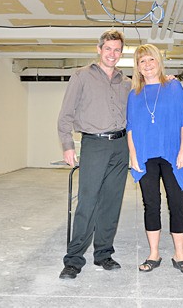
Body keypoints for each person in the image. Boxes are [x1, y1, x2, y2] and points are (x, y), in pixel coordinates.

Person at [57, 29, 131, 279]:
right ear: (99, 49)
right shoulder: (81, 76)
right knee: (87, 203)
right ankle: (74, 259)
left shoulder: (127, 82)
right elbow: (65, 114)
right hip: (94, 145)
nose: (112, 53)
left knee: (111, 203)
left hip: (120, 147)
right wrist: (68, 145)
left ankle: (103, 254)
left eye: (117, 49)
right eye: (108, 48)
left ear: (121, 53)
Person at [126, 44, 183, 274]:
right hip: (145, 156)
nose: (147, 65)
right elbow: (131, 128)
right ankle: (154, 254)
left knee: (177, 204)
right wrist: (133, 155)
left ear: (158, 62)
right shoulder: (134, 94)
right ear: (137, 67)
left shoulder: (174, 87)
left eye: (150, 60)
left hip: (172, 154)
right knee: (151, 205)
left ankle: (180, 255)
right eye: (141, 61)